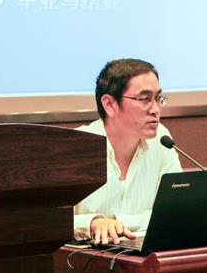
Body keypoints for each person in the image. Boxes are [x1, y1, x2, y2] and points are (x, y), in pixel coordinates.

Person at [74, 58, 182, 244]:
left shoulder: (161, 140)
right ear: (109, 104)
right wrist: (92, 223)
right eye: (145, 99)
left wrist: (119, 222)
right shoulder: (76, 147)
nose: (155, 110)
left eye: (158, 99)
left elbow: (175, 211)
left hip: (145, 255)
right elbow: (48, 220)